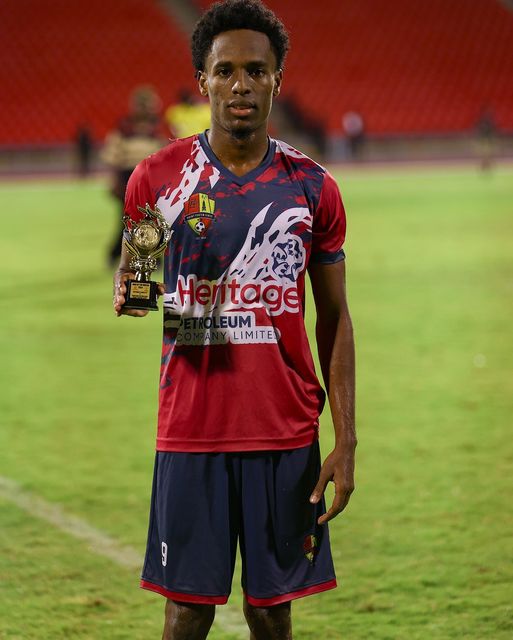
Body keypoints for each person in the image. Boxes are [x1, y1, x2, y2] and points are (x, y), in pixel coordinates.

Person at [112, 1, 356, 638]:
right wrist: (142, 286)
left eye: (256, 70)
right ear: (203, 81)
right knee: (187, 612)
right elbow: (139, 287)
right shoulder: (156, 180)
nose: (240, 84)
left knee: (272, 613)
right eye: (225, 71)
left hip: (285, 435)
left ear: (277, 78)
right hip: (191, 429)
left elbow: (335, 318)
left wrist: (346, 439)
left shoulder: (313, 187)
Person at [102, 85, 165, 265]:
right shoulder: (124, 127)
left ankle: (155, 256)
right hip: (127, 177)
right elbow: (114, 155)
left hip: (149, 178)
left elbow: (164, 155)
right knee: (126, 220)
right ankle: (115, 254)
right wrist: (114, 181)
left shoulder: (157, 128)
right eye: (143, 105)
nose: (146, 109)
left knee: (153, 219)